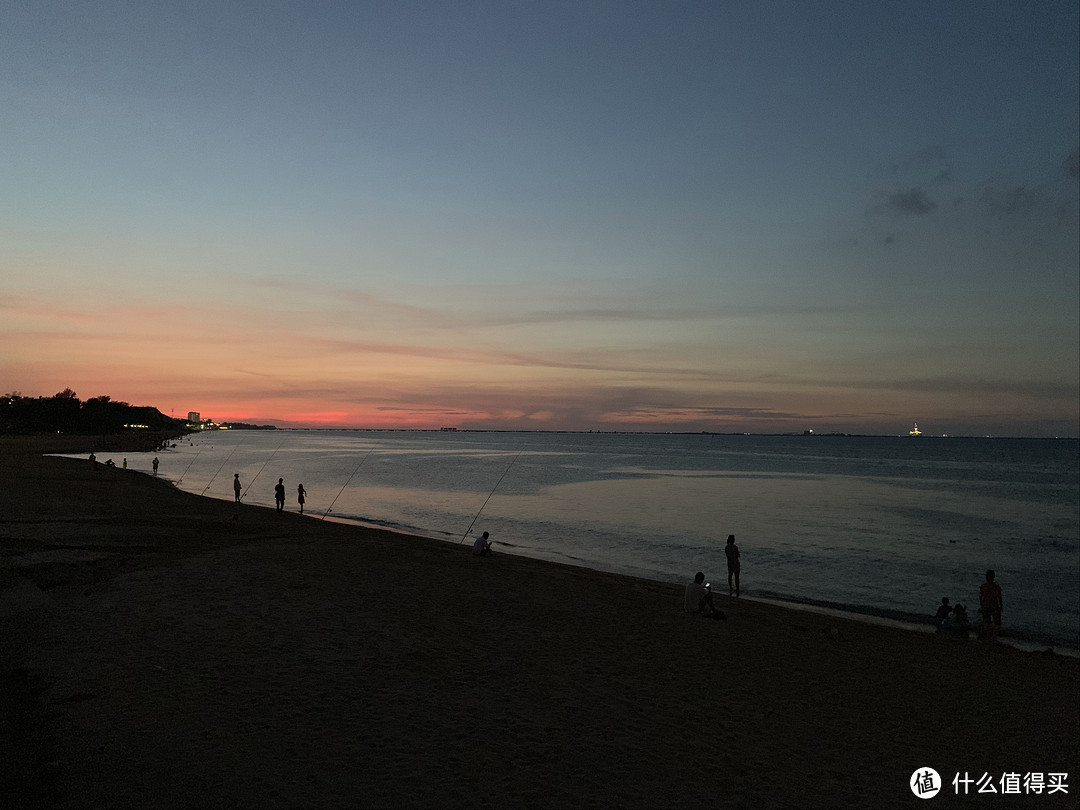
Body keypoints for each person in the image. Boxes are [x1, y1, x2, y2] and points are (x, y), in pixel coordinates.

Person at [979, 569, 1003, 638]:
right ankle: (994, 635)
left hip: (986, 605)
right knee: (997, 623)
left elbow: (981, 597)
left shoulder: (983, 586)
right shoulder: (997, 587)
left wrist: (981, 606)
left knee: (986, 622)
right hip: (993, 606)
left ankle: (987, 634)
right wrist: (1000, 607)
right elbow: (999, 598)